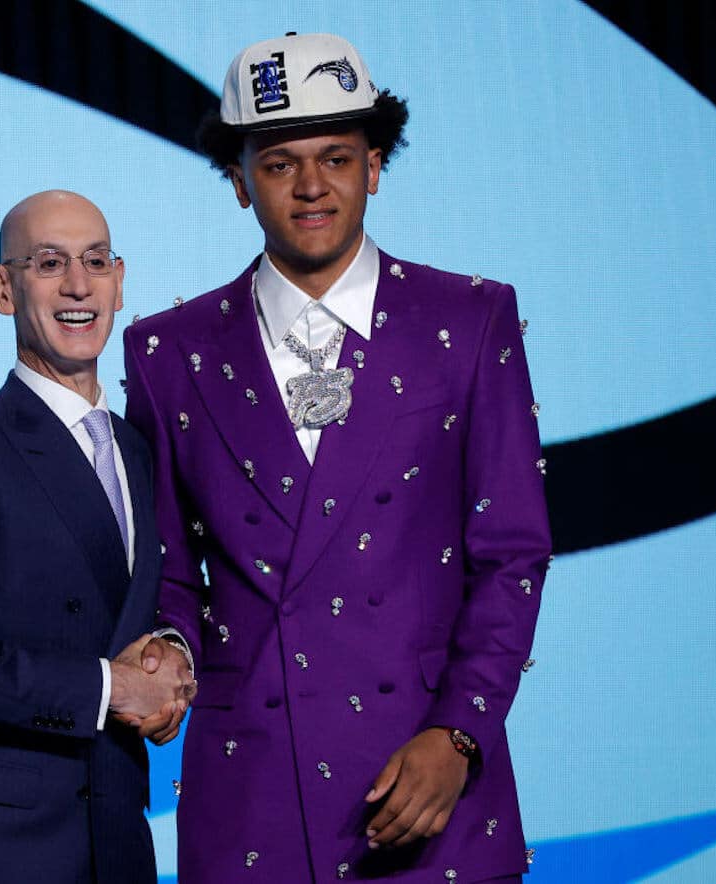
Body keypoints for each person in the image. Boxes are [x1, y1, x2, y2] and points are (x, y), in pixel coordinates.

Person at [125, 33, 550, 884]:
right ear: (238, 179)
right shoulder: (169, 351)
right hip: (250, 795)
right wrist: (166, 650)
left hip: (428, 786)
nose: (312, 186)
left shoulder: (466, 323)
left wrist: (460, 734)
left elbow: (511, 554)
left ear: (376, 165)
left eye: (337, 158)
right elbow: (167, 570)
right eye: (280, 164)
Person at [0, 190, 194, 884]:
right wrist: (108, 689)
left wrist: (169, 659)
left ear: (119, 280)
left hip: (114, 832)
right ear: (2, 289)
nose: (78, 286)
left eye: (94, 262)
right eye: (50, 263)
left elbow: (158, 597)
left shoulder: (141, 452)